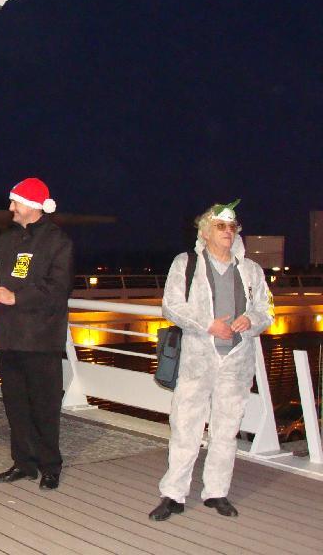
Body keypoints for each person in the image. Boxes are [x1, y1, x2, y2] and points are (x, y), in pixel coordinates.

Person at [149, 200, 273, 521]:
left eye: (232, 227)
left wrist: (251, 320)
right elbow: (171, 306)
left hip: (236, 361)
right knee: (186, 427)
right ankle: (174, 494)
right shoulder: (186, 263)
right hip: (197, 359)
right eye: (221, 226)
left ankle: (217, 492)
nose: (228, 232)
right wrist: (208, 323)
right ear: (205, 232)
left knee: (226, 430)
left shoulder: (251, 270)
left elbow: (266, 310)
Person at [0, 177, 74, 490]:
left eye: (15, 202)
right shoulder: (5, 240)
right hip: (8, 338)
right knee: (16, 405)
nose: (10, 208)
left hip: (41, 340)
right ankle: (23, 463)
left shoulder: (58, 241)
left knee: (44, 407)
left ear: (32, 206)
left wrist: (17, 297)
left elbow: (57, 289)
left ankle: (50, 466)